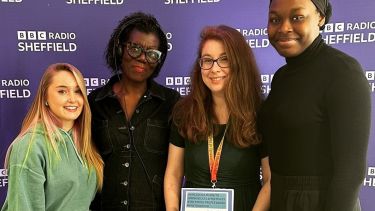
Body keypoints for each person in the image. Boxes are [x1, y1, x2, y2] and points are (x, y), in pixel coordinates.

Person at [258, 0, 371, 210]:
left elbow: (351, 172)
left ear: (320, 17)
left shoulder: (344, 72)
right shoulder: (281, 77)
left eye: (297, 17)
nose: (284, 28)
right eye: (275, 19)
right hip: (281, 198)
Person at [164, 25, 271, 211]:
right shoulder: (184, 112)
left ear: (239, 63)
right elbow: (173, 175)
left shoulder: (261, 114)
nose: (214, 69)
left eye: (224, 60)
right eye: (207, 60)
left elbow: (271, 181)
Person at [88, 12, 180, 210]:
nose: (142, 59)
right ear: (119, 49)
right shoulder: (94, 102)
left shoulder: (172, 103)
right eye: (135, 48)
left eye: (152, 54)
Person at [1, 63, 103, 211]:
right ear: (45, 97)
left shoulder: (85, 142)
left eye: (78, 91)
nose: (72, 99)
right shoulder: (30, 146)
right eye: (62, 91)